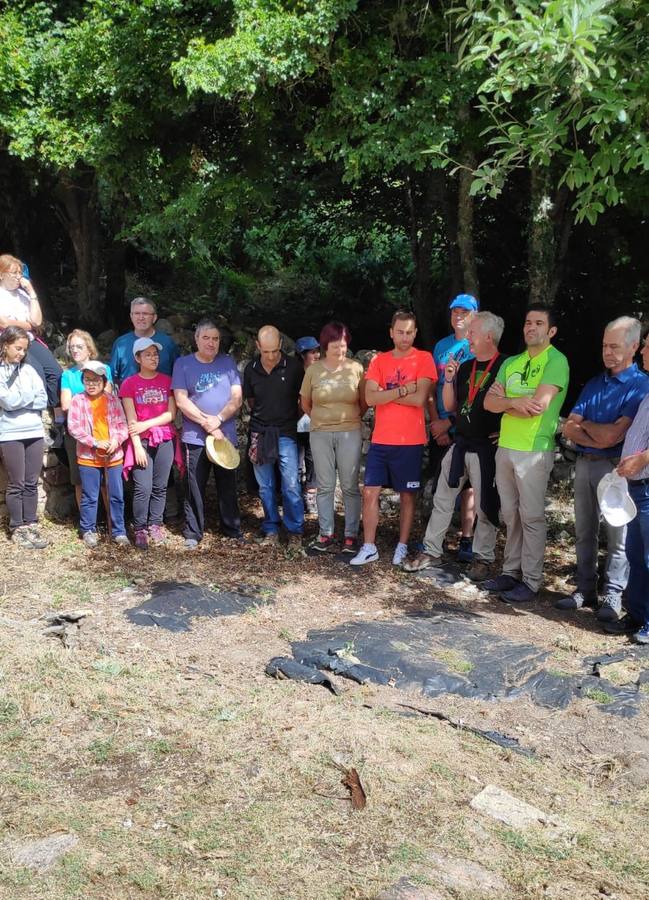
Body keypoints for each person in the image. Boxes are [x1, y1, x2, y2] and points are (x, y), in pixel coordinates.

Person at [557, 317, 649, 621]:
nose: (607, 352)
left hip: (617, 468)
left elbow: (613, 436)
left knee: (619, 535)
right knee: (584, 531)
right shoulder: (597, 382)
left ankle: (613, 593)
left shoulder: (641, 385)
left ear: (634, 347)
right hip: (585, 464)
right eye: (604, 346)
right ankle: (585, 589)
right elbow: (569, 427)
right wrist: (597, 432)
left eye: (614, 346)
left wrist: (588, 428)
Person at [404, 312, 505, 581]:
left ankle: (483, 559)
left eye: (473, 333)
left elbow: (513, 401)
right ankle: (432, 550)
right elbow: (450, 407)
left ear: (488, 336)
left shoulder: (505, 366)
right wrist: (449, 379)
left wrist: (504, 429)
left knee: (485, 505)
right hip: (461, 443)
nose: (468, 337)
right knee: (442, 497)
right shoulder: (466, 367)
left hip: (487, 448)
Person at [483, 304, 569, 602]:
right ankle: (510, 573)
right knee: (510, 515)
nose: (531, 327)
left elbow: (539, 406)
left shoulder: (556, 361)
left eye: (539, 323)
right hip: (506, 447)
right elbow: (488, 403)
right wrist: (515, 402)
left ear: (551, 331)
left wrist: (506, 401)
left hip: (534, 450)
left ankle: (531, 582)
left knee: (531, 516)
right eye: (528, 322)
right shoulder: (511, 363)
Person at [350, 310, 436, 566]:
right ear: (391, 332)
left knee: (407, 496)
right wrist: (405, 389)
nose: (405, 337)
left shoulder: (424, 358)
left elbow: (420, 399)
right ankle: (369, 546)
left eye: (410, 332)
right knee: (369, 492)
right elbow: (371, 398)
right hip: (382, 439)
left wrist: (388, 393)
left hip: (409, 440)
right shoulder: (379, 361)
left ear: (415, 333)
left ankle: (401, 546)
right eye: (400, 331)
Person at [172, 318, 243, 549]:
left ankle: (231, 529)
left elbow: (237, 398)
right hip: (196, 437)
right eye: (206, 338)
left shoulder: (228, 363)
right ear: (196, 339)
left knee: (227, 485)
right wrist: (207, 423)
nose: (211, 343)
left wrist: (219, 419)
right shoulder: (183, 364)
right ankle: (193, 532)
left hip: (225, 435)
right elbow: (181, 400)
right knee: (194, 485)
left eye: (215, 339)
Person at [300, 322, 365, 553]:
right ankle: (325, 534)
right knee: (325, 485)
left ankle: (350, 535)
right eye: (336, 346)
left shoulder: (356, 368)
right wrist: (321, 418)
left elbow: (364, 401)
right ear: (326, 345)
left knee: (349, 485)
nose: (340, 351)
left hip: (350, 431)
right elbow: (305, 402)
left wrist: (348, 419)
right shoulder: (313, 370)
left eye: (344, 346)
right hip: (320, 433)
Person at [428, 293, 479, 562]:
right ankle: (437, 539)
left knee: (468, 486)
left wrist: (450, 423)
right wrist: (437, 422)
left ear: (474, 316)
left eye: (465, 311)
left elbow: (473, 393)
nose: (458, 315)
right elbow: (433, 385)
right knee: (441, 482)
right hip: (440, 421)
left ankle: (467, 538)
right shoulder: (441, 346)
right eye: (454, 311)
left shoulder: (476, 346)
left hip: (465, 424)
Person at [243, 325, 305, 546]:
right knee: (265, 485)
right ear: (258, 346)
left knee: (290, 483)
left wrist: (288, 417)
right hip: (260, 431)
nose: (270, 356)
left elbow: (303, 400)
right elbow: (251, 401)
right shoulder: (251, 369)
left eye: (274, 351)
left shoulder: (295, 367)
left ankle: (295, 530)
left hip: (286, 431)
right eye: (265, 351)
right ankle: (271, 528)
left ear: (280, 345)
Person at [120, 337, 179, 550]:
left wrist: (147, 424)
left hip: (164, 437)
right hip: (141, 442)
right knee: (142, 487)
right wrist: (136, 445)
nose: (153, 358)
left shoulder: (167, 381)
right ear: (137, 358)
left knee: (160, 486)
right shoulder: (129, 384)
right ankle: (140, 528)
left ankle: (155, 524)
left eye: (155, 354)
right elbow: (130, 419)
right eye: (148, 355)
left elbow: (171, 414)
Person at [611, 332, 649, 643]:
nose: (644, 351)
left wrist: (642, 459)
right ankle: (636, 615)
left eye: (648, 347)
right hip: (636, 486)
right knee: (637, 554)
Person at [67, 361, 129, 548]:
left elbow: (122, 425)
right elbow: (74, 428)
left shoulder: (112, 400)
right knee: (90, 495)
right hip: (88, 457)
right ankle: (88, 530)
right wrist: (95, 442)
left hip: (113, 456)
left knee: (116, 495)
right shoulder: (78, 400)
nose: (91, 384)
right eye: (87, 380)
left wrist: (116, 441)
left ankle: (119, 531)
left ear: (104, 381)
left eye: (95, 380)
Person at [0, 326, 49, 548]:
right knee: (16, 483)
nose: (21, 353)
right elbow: (6, 402)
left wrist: (18, 399)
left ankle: (31, 523)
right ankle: (17, 526)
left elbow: (42, 399)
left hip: (34, 432)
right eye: (17, 348)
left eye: (24, 349)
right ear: (5, 345)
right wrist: (24, 398)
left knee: (31, 482)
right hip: (10, 433)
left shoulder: (29, 370)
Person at [60, 329, 114, 507]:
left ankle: (111, 523)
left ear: (89, 349)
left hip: (102, 430)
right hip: (78, 434)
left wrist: (81, 401)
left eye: (79, 346)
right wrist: (87, 399)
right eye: (72, 347)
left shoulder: (104, 369)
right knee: (80, 481)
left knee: (106, 480)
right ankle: (88, 524)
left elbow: (106, 399)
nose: (75, 350)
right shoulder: (68, 375)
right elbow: (66, 405)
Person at [0, 254, 62, 407]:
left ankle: (55, 411)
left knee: (55, 372)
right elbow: (4, 323)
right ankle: (38, 410)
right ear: (1, 274)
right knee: (37, 372)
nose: (18, 277)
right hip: (10, 341)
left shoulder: (23, 295)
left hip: (30, 340)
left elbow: (37, 321)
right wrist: (28, 324)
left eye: (20, 273)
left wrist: (32, 292)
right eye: (14, 273)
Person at [110, 297, 179, 386]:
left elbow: (177, 376)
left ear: (154, 318)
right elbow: (112, 377)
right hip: (128, 397)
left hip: (162, 397)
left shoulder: (167, 343)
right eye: (137, 313)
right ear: (131, 316)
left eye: (145, 314)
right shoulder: (121, 343)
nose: (141, 317)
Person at [295, 335, 320, 512]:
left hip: (314, 426)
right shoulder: (293, 375)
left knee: (313, 464)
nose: (317, 355)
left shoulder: (321, 373)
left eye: (318, 351)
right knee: (295, 464)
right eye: (312, 352)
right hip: (294, 426)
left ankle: (310, 498)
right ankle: (295, 498)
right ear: (302, 355)